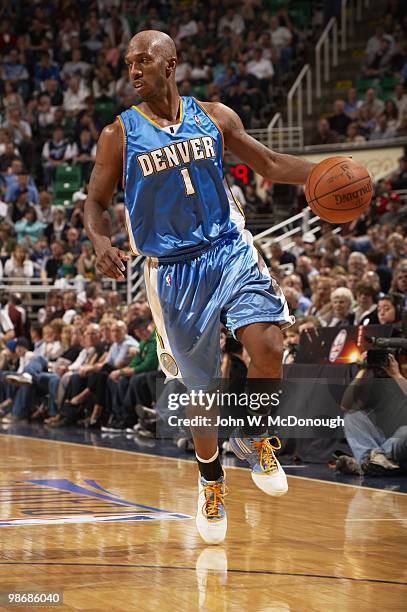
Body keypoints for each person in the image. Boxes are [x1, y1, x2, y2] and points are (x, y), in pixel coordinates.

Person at [84, 30, 315, 545]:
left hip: (228, 247)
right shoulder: (118, 135)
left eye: (144, 60)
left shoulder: (215, 116)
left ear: (171, 65)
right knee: (201, 392)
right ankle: (211, 480)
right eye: (128, 63)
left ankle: (254, 435)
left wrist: (328, 172)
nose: (133, 69)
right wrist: (100, 240)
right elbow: (94, 202)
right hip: (172, 268)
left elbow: (272, 165)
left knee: (269, 345)